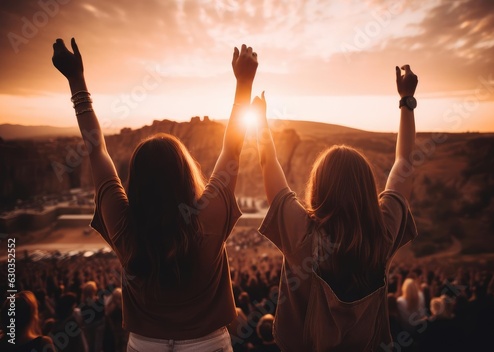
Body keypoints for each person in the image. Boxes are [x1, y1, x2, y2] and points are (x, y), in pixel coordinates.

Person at [52, 38, 259, 351]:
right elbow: (232, 148)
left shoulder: (124, 226)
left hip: (143, 344)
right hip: (208, 344)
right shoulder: (208, 217)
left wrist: (76, 82)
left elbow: (97, 153)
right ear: (186, 174)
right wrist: (244, 83)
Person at [254, 65, 419, 351]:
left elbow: (269, 164)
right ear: (367, 188)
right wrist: (407, 101)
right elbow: (403, 163)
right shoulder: (383, 232)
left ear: (318, 187)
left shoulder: (301, 235)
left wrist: (260, 122)